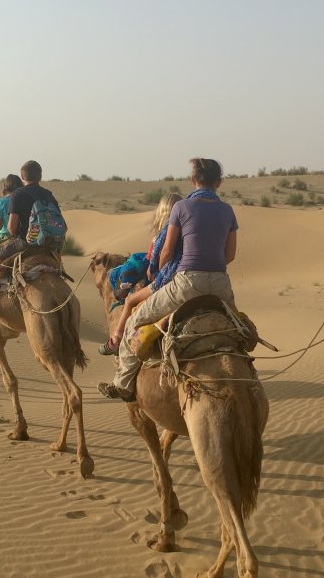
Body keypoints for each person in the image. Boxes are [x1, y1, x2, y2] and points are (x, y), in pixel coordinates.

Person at [99, 158, 237, 400]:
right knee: (238, 329)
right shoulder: (227, 211)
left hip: (186, 282)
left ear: (193, 180)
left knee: (135, 320)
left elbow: (166, 251)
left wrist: (162, 273)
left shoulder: (181, 207)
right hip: (221, 285)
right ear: (219, 182)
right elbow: (230, 255)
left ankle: (122, 384)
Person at [0, 160, 62, 328]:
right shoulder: (49, 194)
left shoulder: (17, 195)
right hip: (49, 245)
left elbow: (11, 229)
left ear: (22, 176)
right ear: (40, 176)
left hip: (24, 243)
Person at [98, 190, 183, 354]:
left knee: (130, 301)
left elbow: (155, 264)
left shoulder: (160, 236)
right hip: (187, 279)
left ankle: (116, 340)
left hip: (164, 283)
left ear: (162, 212)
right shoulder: (186, 234)